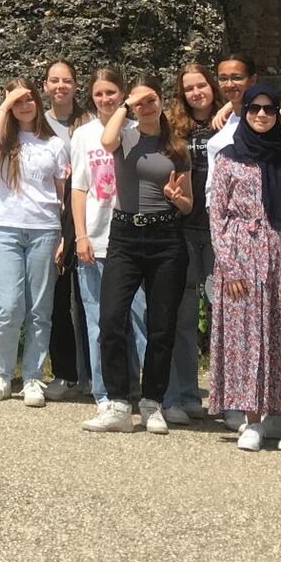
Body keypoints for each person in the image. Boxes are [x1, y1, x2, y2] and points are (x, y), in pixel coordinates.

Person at [83, 74, 193, 434]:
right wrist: (127, 104)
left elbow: (189, 205)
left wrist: (178, 199)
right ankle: (117, 402)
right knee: (111, 318)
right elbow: (106, 140)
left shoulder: (177, 146)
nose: (145, 107)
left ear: (161, 101)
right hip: (125, 235)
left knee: (161, 325)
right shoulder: (125, 136)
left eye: (150, 100)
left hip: (166, 236)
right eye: (138, 102)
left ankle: (152, 401)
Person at [208, 83, 281, 451]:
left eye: (269, 109)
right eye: (255, 109)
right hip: (240, 257)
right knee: (244, 338)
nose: (262, 115)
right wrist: (229, 266)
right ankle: (252, 419)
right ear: (246, 113)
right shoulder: (228, 159)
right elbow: (217, 216)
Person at [0, 77, 72, 404]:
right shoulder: (4, 139)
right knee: (8, 306)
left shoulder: (55, 144)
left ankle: (33, 376)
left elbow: (63, 194)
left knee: (39, 309)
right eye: (17, 101)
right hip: (5, 228)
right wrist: (5, 104)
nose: (24, 105)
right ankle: (1, 375)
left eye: (28, 98)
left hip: (44, 230)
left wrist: (65, 236)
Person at [68, 66, 131, 407]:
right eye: (99, 94)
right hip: (96, 236)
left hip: (132, 241)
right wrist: (81, 236)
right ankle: (104, 391)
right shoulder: (83, 135)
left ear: (123, 94)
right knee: (97, 321)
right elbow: (78, 188)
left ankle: (143, 391)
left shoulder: (136, 129)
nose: (106, 99)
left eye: (111, 92)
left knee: (139, 320)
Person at [165, 62, 221, 421]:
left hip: (220, 234)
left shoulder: (231, 121)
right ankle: (188, 394)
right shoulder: (173, 127)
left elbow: (273, 113)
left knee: (222, 316)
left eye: (201, 85)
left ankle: (227, 397)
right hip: (184, 229)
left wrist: (231, 110)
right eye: (189, 88)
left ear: (212, 86)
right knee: (184, 316)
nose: (196, 92)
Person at [39, 60, 89, 401]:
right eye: (54, 81)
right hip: (50, 217)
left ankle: (92, 373)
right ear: (45, 86)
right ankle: (65, 372)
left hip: (84, 218)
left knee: (89, 300)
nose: (60, 86)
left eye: (66, 80)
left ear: (75, 85)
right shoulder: (37, 123)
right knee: (57, 299)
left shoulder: (90, 122)